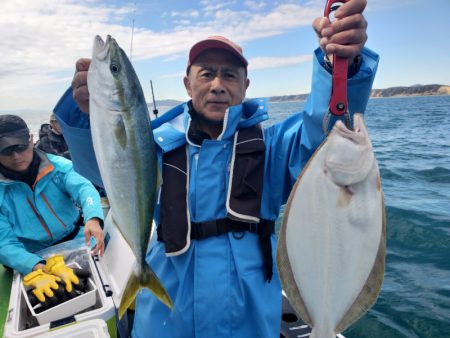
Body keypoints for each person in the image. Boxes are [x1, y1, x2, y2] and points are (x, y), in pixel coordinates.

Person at [56, 0, 378, 336]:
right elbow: (102, 169)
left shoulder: (273, 147)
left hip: (247, 321)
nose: (217, 84)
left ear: (245, 85)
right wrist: (86, 113)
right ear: (187, 84)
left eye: (229, 75)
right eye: (206, 73)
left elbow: (325, 135)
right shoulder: (154, 146)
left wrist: (343, 68)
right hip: (167, 319)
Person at [0, 114, 105, 301]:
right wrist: (38, 267)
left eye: (20, 147)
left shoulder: (58, 167)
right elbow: (4, 243)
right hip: (32, 257)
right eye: (6, 151)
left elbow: (84, 189)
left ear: (31, 140)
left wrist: (93, 218)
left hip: (79, 240)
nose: (16, 156)